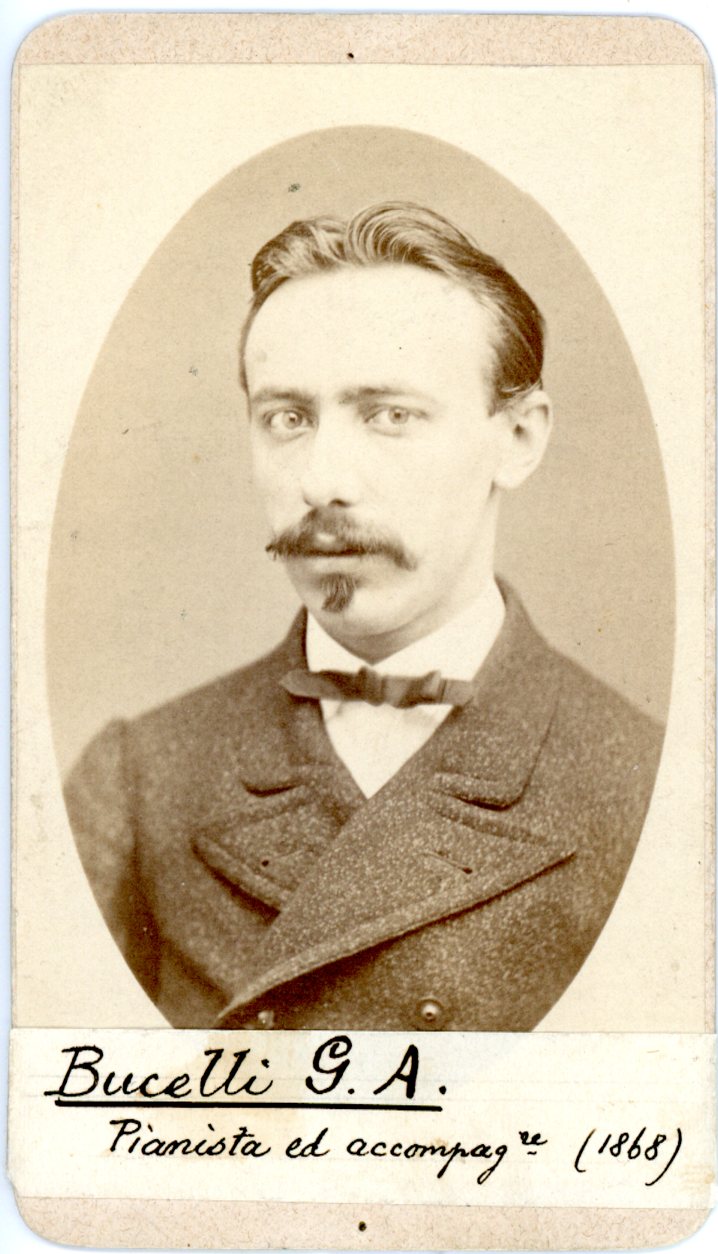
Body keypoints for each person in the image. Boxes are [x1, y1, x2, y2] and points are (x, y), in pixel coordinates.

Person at [65, 202, 664, 1031]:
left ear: (519, 438)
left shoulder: (652, 793)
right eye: (288, 419)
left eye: (390, 415)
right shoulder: (137, 782)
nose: (322, 481)